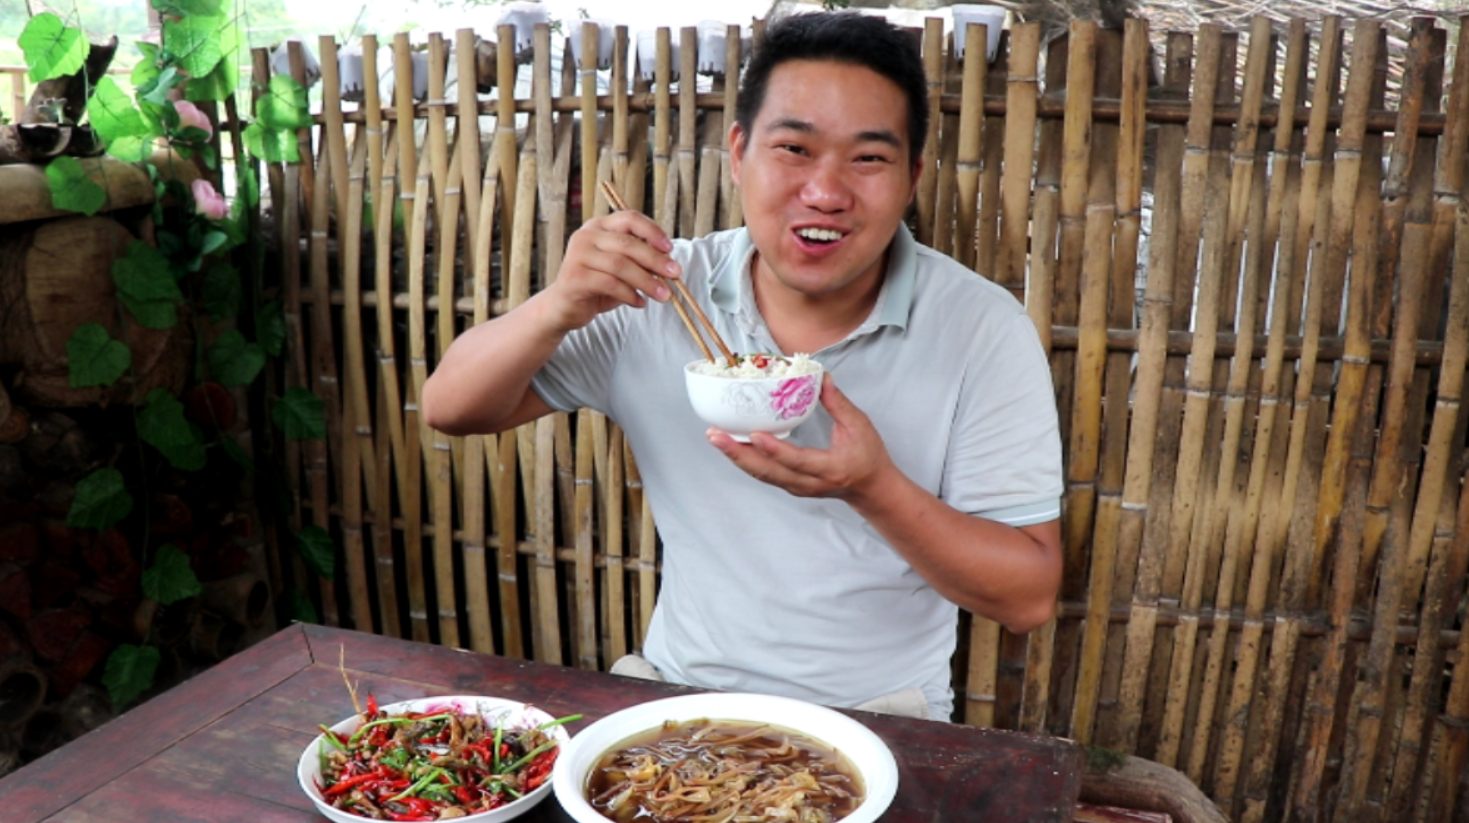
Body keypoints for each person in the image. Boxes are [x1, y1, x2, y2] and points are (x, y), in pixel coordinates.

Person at [422, 11, 1063, 721]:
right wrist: (559, 304)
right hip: (675, 695)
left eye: (868, 158)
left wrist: (872, 486)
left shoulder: (979, 328)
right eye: (793, 147)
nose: (824, 192)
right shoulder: (659, 290)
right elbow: (451, 408)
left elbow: (1026, 596)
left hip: (883, 715)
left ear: (911, 176)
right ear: (737, 153)